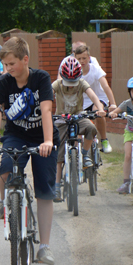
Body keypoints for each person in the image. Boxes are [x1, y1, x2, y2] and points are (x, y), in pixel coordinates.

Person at [0, 37, 57, 265]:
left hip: (43, 137)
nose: (7, 69)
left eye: (12, 64)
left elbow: (46, 110)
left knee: (44, 190)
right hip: (17, 135)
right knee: (5, 167)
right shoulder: (4, 82)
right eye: (5, 64)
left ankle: (44, 247)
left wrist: (48, 141)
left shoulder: (41, 78)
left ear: (25, 59)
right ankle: (3, 202)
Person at [51, 56, 106, 201]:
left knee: (91, 127)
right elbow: (46, 96)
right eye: (68, 82)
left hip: (78, 117)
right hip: (61, 120)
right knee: (58, 156)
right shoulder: (57, 84)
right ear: (62, 77)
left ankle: (85, 154)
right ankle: (56, 187)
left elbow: (93, 95)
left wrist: (100, 108)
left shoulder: (82, 83)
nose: (71, 86)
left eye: (73, 82)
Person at [73, 42, 116, 153]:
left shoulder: (95, 69)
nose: (82, 61)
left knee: (97, 111)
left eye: (84, 58)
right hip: (81, 101)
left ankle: (104, 139)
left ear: (89, 58)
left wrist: (113, 104)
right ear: (75, 59)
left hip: (98, 97)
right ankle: (76, 151)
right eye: (79, 59)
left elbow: (105, 86)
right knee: (76, 121)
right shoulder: (73, 72)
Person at [108, 77, 133, 193]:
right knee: (128, 155)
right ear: (129, 92)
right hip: (130, 131)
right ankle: (126, 182)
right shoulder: (127, 103)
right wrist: (113, 114)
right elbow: (115, 111)